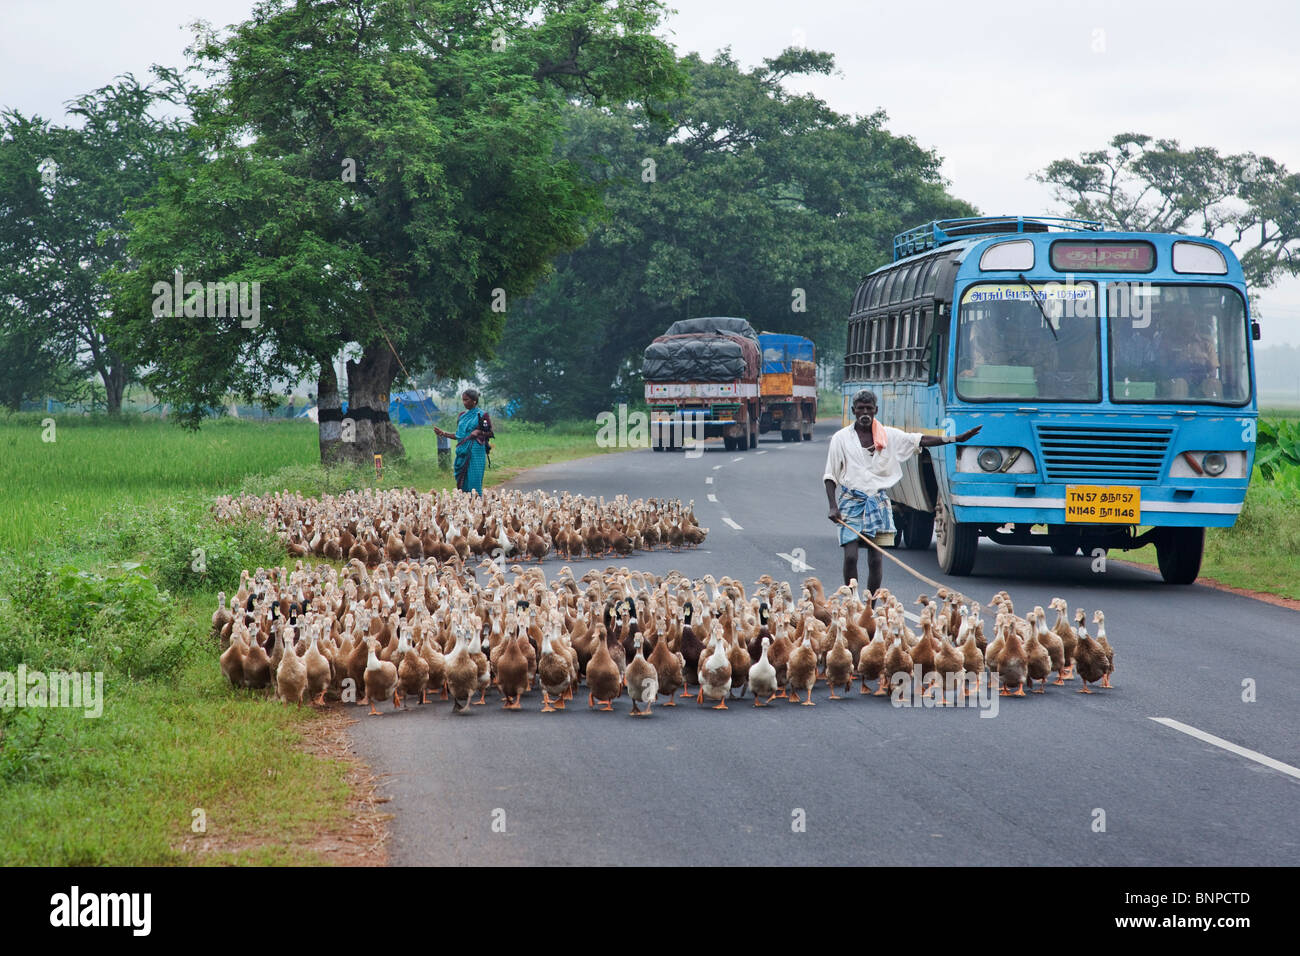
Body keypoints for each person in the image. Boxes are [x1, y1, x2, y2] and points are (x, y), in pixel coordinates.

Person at [823, 390, 981, 597]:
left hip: (878, 503)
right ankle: (852, 600)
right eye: (860, 408)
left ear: (876, 410)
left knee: (876, 558)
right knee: (851, 556)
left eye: (869, 408)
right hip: (852, 502)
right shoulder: (841, 439)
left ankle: (870, 607)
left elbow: (919, 440)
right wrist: (833, 506)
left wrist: (954, 439)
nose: (865, 412)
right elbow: (830, 475)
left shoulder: (889, 435)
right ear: (853, 411)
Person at [435, 389, 493, 494]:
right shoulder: (462, 416)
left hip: (476, 452)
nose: (464, 402)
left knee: (474, 480)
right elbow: (459, 436)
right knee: (462, 482)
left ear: (474, 401)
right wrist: (443, 433)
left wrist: (478, 432)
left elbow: (490, 433)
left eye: (466, 400)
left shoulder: (482, 415)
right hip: (462, 451)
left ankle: (476, 504)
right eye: (463, 400)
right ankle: (465, 506)